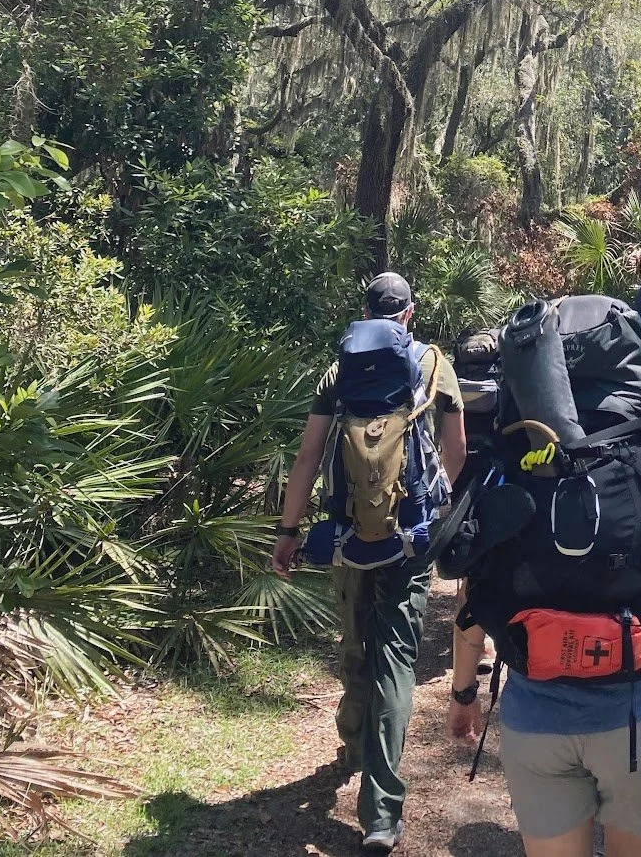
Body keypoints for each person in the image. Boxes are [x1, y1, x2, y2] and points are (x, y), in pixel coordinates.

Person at [272, 272, 467, 853]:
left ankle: (352, 738)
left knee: (355, 642)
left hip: (348, 536)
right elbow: (455, 452)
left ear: (365, 312)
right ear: (409, 313)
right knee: (397, 658)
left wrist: (289, 531)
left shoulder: (337, 371)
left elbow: (309, 456)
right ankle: (381, 811)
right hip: (411, 538)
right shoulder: (434, 363)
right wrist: (439, 516)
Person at [448, 456, 641, 857]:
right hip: (638, 716)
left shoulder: (506, 472)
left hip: (536, 720)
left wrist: (463, 693)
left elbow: (471, 602)